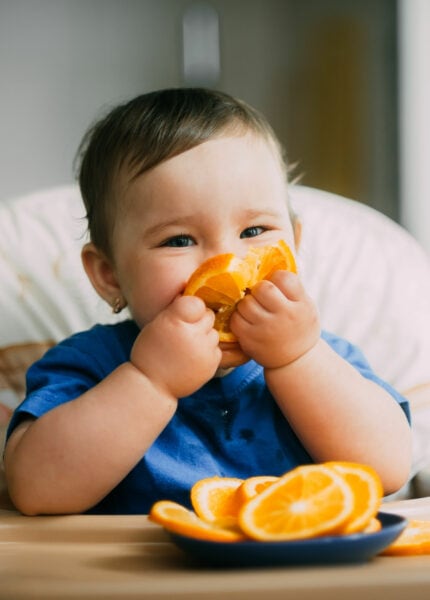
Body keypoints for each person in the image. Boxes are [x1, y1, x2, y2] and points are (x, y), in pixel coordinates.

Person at [3, 88, 411, 515]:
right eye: (178, 240)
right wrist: (150, 382)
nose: (227, 263)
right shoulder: (89, 365)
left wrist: (298, 360)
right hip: (141, 576)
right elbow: (36, 492)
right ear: (109, 276)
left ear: (295, 244)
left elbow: (387, 470)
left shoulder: (326, 359)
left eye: (254, 231)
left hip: (297, 571)